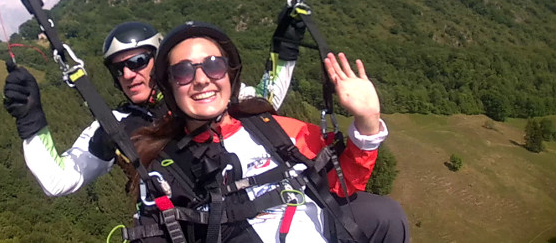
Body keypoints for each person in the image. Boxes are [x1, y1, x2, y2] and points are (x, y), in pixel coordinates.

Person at [123, 21, 408, 242]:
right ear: (171, 86)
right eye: (184, 72)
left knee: (385, 215)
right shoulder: (167, 168)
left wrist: (367, 121)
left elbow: (341, 184)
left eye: (213, 65)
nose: (201, 79)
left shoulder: (273, 129)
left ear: (229, 75)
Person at [3, 20, 302, 197]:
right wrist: (32, 122)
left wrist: (285, 50)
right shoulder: (116, 125)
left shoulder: (201, 92)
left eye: (138, 63)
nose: (129, 74)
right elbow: (59, 180)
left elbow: (264, 101)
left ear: (159, 62)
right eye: (119, 69)